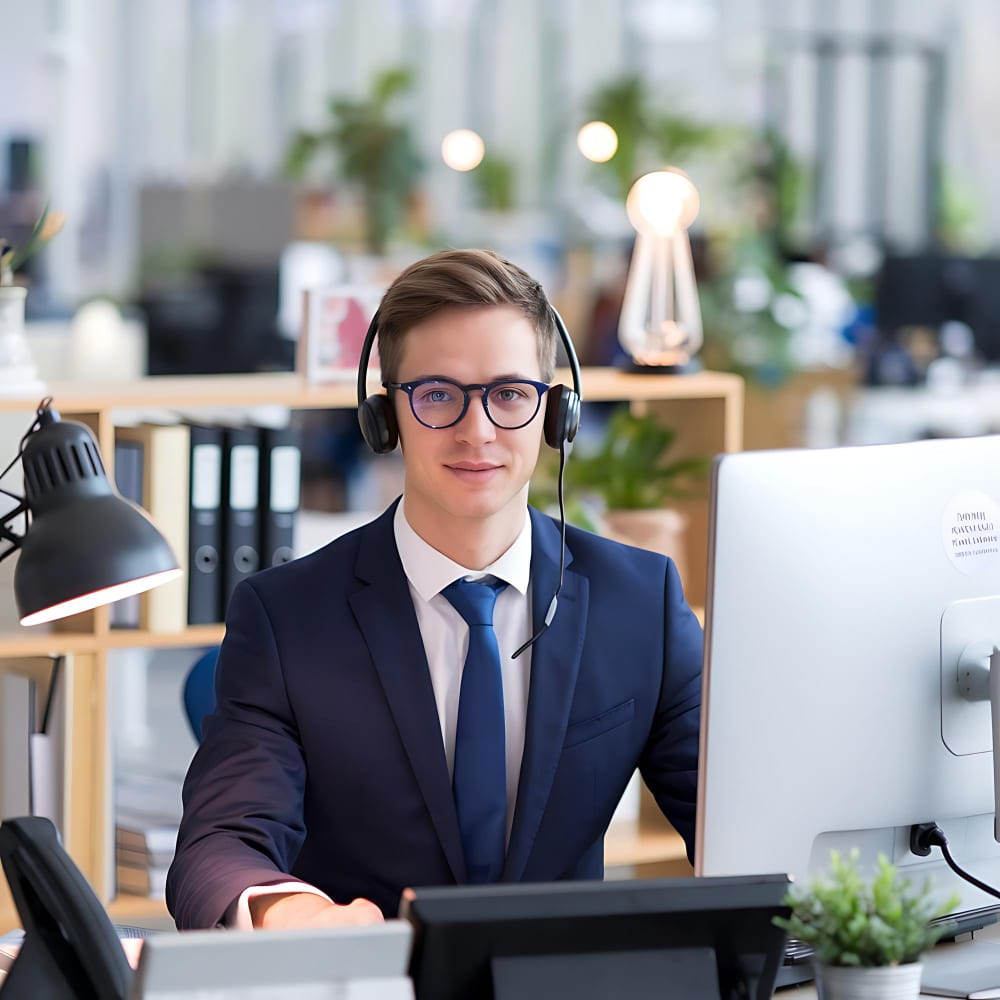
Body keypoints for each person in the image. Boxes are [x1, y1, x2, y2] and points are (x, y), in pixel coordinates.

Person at [166, 248, 703, 931]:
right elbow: (218, 845)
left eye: (510, 394)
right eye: (439, 395)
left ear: (555, 412)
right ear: (385, 417)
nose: (477, 431)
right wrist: (287, 911)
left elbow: (731, 821)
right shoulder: (285, 619)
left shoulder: (642, 603)